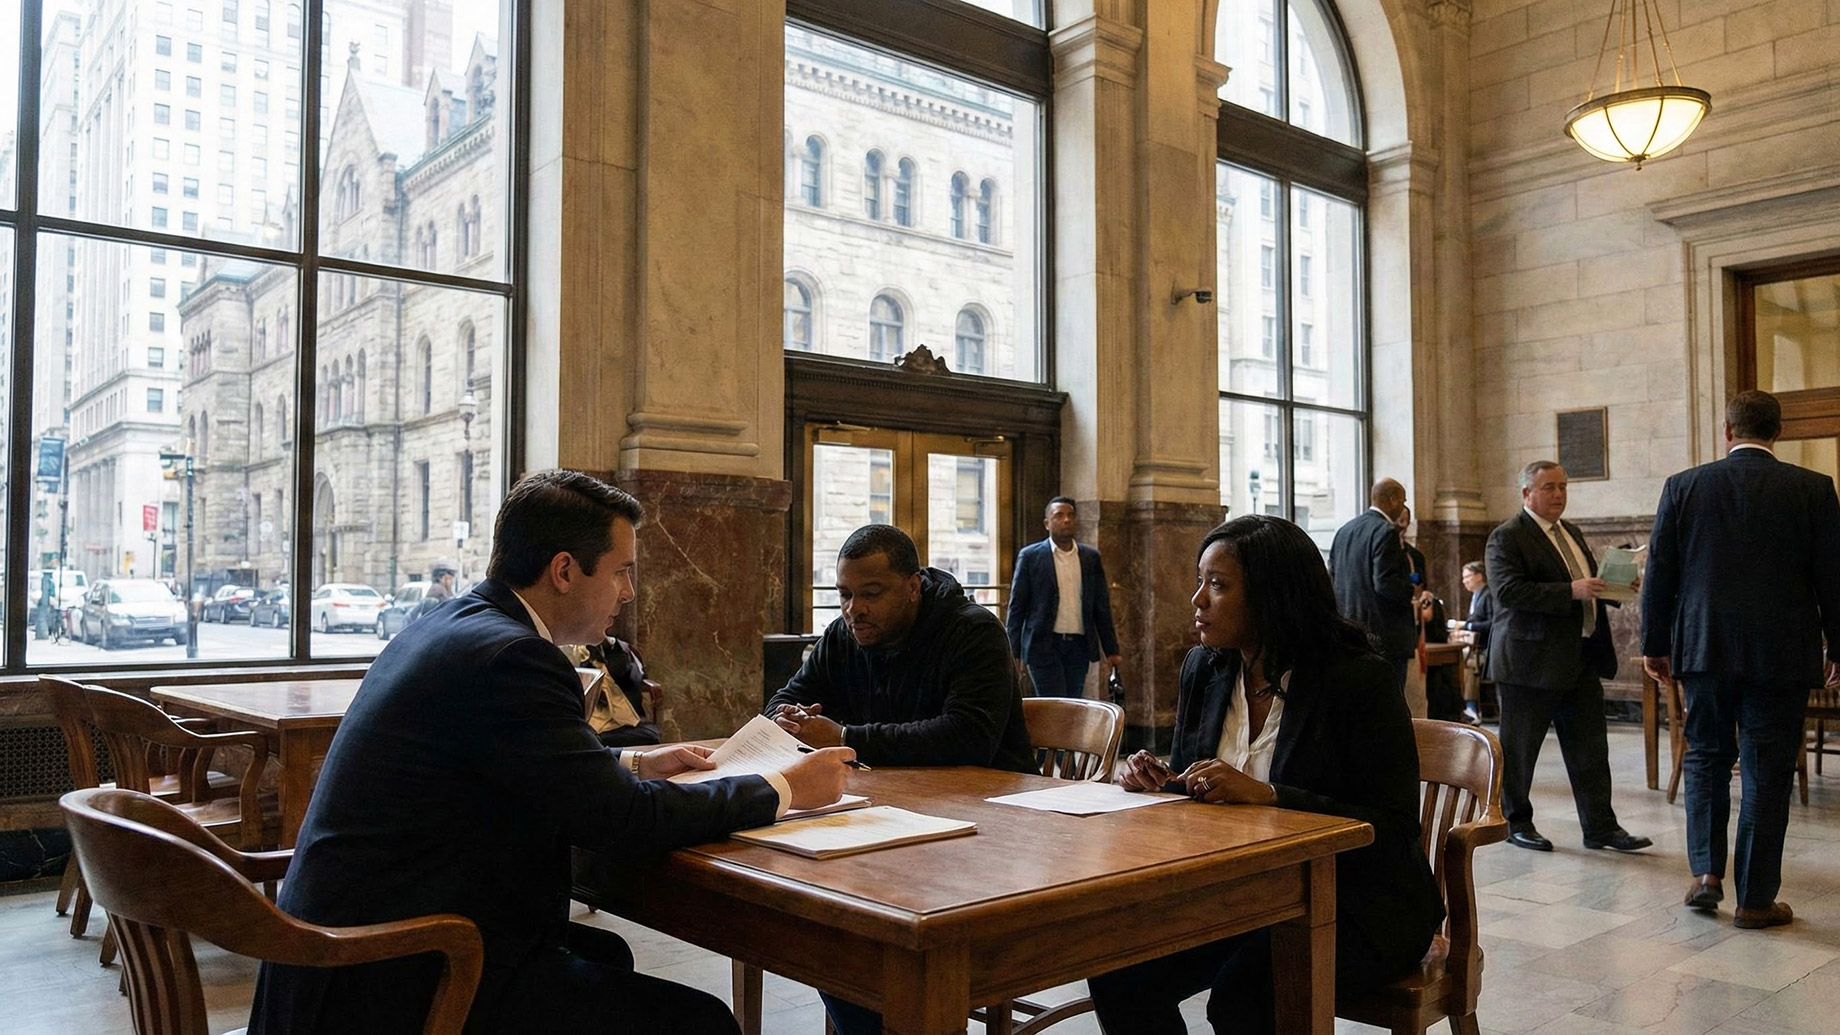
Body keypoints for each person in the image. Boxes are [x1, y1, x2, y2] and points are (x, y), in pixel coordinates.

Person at [248, 470, 854, 1034]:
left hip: (344, 954)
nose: (631, 592)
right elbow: (624, 821)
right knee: (701, 1023)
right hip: (398, 978)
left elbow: (498, 763)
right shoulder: (513, 657)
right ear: (564, 571)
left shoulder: (458, 624)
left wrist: (631, 762)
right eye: (620, 571)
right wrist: (787, 788)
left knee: (606, 953)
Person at [1088, 516, 1443, 1035]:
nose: (1197, 600)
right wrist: (1157, 778)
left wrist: (1272, 796)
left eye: (1218, 585)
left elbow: (1390, 825)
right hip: (1241, 890)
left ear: (1275, 595)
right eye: (1199, 581)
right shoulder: (1205, 668)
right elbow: (1197, 785)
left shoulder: (1356, 679)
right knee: (1117, 965)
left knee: (1244, 995)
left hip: (1359, 900)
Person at [767, 523, 1034, 1035]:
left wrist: (844, 734)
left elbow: (967, 736)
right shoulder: (845, 635)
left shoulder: (971, 630)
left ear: (913, 587)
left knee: (856, 935)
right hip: (890, 820)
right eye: (844, 595)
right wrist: (791, 719)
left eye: (871, 594)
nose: (854, 610)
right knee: (830, 920)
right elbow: (782, 699)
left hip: (989, 833)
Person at [1643, 389, 1840, 928]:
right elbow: (1833, 579)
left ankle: (1706, 874)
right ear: (1778, 433)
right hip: (1782, 654)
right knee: (1767, 769)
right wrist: (1838, 648)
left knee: (1705, 755)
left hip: (1704, 647)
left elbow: (1660, 572)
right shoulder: (1813, 488)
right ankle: (1755, 900)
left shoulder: (1684, 486)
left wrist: (1654, 646)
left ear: (1727, 431)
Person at [1485, 460, 1650, 854]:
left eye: (1562, 486)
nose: (1558, 495)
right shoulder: (1507, 537)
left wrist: (1615, 587)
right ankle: (1515, 822)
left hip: (1579, 658)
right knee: (1520, 751)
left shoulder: (1570, 532)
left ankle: (1601, 828)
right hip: (1530, 662)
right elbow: (1508, 592)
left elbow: (1586, 586)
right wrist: (1570, 591)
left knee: (1591, 750)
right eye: (1548, 488)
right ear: (1527, 493)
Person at [1005, 496, 1122, 698]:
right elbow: (1017, 608)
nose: (1066, 520)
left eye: (1070, 515)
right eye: (1059, 515)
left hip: (1079, 647)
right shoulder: (1031, 556)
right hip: (1043, 645)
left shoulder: (1090, 558)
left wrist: (1111, 650)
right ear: (1047, 523)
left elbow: (1100, 607)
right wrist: (1013, 652)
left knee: (1074, 704)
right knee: (1054, 706)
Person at [1328, 477, 1417, 690]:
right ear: (1393, 499)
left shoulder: (1345, 530)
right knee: (1388, 702)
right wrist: (1410, 590)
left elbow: (1333, 576)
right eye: (1403, 500)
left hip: (1349, 632)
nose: (1404, 506)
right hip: (1384, 635)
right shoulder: (1386, 531)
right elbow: (1386, 584)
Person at [567, 629, 663, 748]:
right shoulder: (569, 649)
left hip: (620, 713)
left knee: (647, 736)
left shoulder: (618, 648)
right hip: (591, 717)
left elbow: (632, 677)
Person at [1458, 560, 1494, 724]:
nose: (1464, 581)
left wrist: (1468, 625)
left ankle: (1470, 707)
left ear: (1479, 576)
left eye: (1467, 577)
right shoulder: (1475, 596)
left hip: (1486, 649)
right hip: (1475, 647)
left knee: (1468, 662)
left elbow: (1494, 623)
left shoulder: (1488, 595)